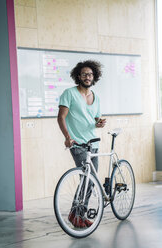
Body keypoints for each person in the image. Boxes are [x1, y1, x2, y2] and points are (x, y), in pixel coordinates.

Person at [57, 60, 106, 228]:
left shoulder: (96, 97)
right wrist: (67, 137)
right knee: (86, 179)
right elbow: (61, 117)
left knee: (90, 181)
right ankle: (76, 214)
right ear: (78, 76)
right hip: (77, 143)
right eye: (84, 74)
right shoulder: (69, 93)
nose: (88, 77)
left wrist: (99, 123)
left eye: (90, 74)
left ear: (94, 77)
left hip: (94, 144)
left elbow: (95, 118)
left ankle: (79, 213)